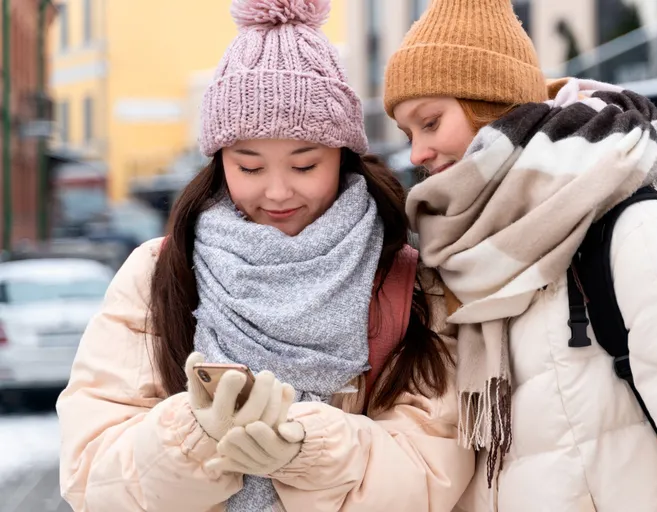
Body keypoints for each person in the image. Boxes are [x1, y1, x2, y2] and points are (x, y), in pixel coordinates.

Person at [56, 1, 474, 510]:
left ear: (343, 157)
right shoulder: (159, 273)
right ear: (218, 161)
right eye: (249, 167)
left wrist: (308, 450)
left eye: (304, 164)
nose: (277, 192)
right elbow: (90, 476)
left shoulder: (407, 280)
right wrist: (194, 436)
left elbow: (435, 472)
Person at [384, 0, 657, 511]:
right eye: (407, 133)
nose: (416, 153)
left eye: (430, 122)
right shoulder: (453, 258)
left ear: (487, 101)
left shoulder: (633, 232)